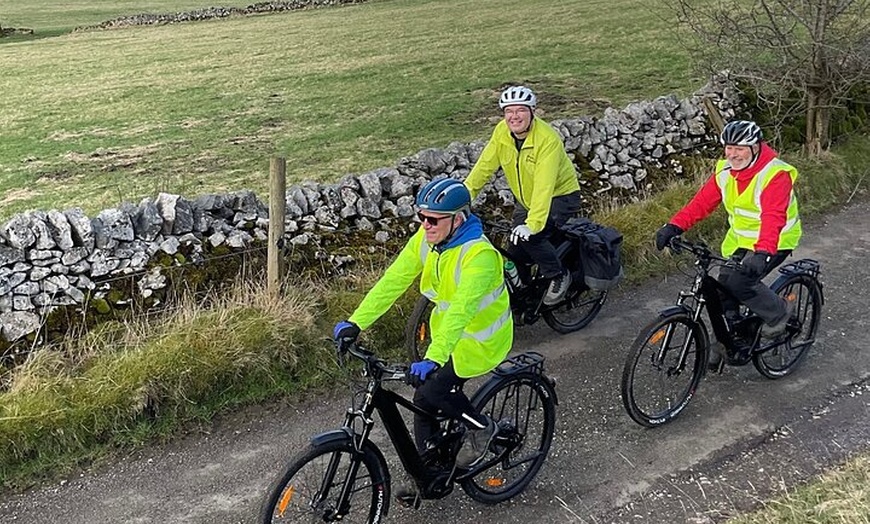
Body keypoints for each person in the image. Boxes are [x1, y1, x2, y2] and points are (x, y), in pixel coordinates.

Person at [333, 178, 513, 471]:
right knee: (423, 400)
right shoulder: (429, 239)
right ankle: (428, 468)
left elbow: (461, 311)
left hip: (481, 342)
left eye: (432, 219)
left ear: (458, 219)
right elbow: (395, 279)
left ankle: (483, 428)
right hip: (448, 336)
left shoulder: (480, 258)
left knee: (434, 392)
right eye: (421, 217)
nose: (425, 225)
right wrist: (356, 321)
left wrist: (434, 358)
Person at [655, 120, 802, 364]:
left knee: (740, 281)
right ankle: (733, 337)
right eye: (729, 148)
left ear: (755, 147)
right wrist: (674, 226)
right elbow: (701, 203)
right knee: (721, 283)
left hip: (776, 239)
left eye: (740, 148)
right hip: (740, 241)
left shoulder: (775, 174)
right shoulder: (725, 172)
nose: (733, 154)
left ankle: (779, 313)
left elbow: (772, 216)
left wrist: (763, 252)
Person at [464, 85, 582, 305]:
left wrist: (533, 224)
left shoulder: (547, 139)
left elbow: (544, 186)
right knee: (516, 252)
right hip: (526, 199)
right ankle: (523, 299)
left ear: (532, 112)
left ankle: (558, 275)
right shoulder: (501, 132)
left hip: (561, 196)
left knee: (533, 237)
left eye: (521, 110)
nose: (514, 116)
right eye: (509, 111)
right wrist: (464, 195)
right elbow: (484, 166)